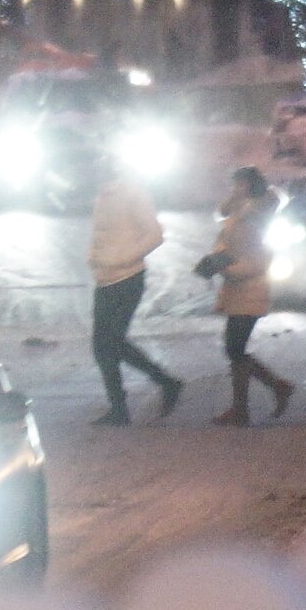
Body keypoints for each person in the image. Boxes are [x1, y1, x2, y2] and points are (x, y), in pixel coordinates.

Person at [88, 167, 183, 426]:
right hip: (105, 278)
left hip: (127, 278)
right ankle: (120, 408)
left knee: (112, 342)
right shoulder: (102, 196)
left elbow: (155, 235)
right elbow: (101, 234)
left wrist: (122, 258)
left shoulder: (133, 193)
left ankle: (163, 384)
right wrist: (94, 258)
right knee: (102, 346)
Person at [202, 167, 296, 424]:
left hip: (251, 288)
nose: (236, 189)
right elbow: (226, 235)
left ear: (252, 185)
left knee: (234, 347)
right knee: (235, 349)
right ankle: (243, 407)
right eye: (234, 185)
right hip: (236, 288)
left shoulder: (259, 215)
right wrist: (217, 260)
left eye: (240, 185)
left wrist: (227, 268)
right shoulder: (239, 210)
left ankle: (272, 390)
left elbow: (258, 258)